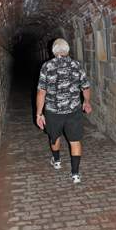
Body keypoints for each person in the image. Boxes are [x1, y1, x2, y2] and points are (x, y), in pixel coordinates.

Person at [36, 38, 91, 183]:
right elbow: (86, 88)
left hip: (53, 111)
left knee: (55, 136)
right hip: (74, 111)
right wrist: (86, 102)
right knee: (75, 140)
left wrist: (39, 113)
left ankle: (57, 160)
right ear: (67, 51)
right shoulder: (76, 65)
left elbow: (41, 92)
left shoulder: (46, 66)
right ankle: (75, 174)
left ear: (53, 52)